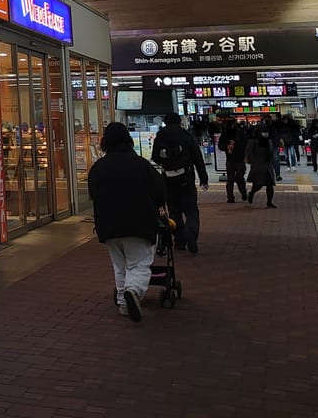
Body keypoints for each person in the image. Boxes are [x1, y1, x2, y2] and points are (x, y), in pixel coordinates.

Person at [87, 121, 166, 323]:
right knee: (139, 263)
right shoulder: (141, 164)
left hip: (109, 227)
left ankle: (124, 303)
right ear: (128, 141)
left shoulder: (98, 168)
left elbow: (93, 195)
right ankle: (133, 291)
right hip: (139, 223)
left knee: (119, 265)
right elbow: (159, 192)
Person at [151, 113, 208, 253]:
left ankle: (180, 240)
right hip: (186, 178)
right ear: (179, 122)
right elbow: (197, 157)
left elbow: (155, 157)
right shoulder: (185, 135)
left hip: (168, 180)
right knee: (191, 210)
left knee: (174, 211)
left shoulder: (160, 136)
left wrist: (166, 161)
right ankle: (191, 231)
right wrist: (203, 178)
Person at [245, 123, 277, 207]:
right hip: (258, 166)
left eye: (266, 131)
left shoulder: (268, 141)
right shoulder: (253, 141)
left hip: (267, 166)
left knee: (270, 184)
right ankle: (252, 193)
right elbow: (249, 153)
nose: (265, 133)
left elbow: (271, 152)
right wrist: (252, 162)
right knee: (257, 184)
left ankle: (269, 202)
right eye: (263, 132)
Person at [220, 118, 249, 203]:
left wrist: (236, 145)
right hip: (230, 159)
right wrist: (226, 147)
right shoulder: (225, 134)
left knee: (239, 178)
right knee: (230, 179)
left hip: (240, 158)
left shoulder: (240, 133)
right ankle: (230, 197)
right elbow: (220, 145)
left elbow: (245, 143)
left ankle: (243, 192)